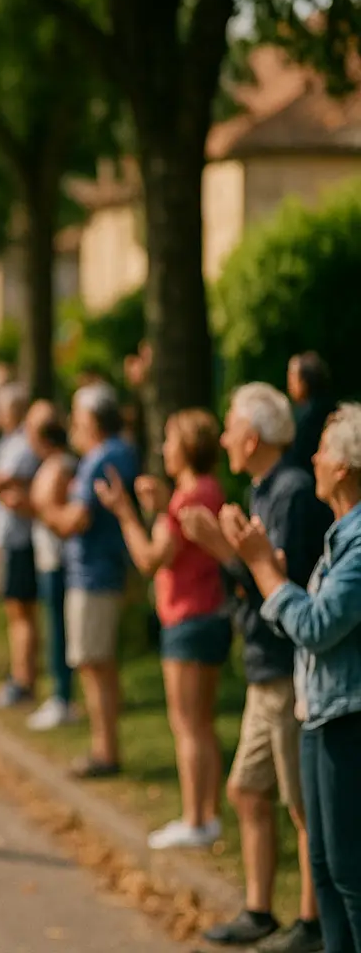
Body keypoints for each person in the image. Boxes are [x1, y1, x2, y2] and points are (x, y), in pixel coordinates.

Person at [180, 384, 327, 952]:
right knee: (246, 789)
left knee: (301, 805)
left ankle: (311, 923)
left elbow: (277, 583)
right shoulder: (265, 488)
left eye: (230, 426)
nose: (223, 438)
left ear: (253, 436)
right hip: (266, 670)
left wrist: (221, 549)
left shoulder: (289, 493)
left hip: (289, 670)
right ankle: (260, 909)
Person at [224, 403, 361, 953]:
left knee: (350, 871)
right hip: (318, 709)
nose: (314, 458)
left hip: (345, 718)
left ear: (347, 466)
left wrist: (261, 566)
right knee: (326, 865)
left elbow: (317, 624)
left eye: (325, 450)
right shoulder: (339, 534)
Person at [95, 409, 229, 849]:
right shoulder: (209, 490)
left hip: (187, 619)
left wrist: (125, 512)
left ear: (187, 448)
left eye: (170, 440)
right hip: (211, 614)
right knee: (203, 722)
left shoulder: (186, 498)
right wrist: (159, 507)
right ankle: (208, 816)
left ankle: (194, 819)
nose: (164, 449)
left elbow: (152, 559)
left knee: (186, 723)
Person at [37, 383, 137, 778]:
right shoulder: (118, 452)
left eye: (78, 417)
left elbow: (75, 519)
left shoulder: (100, 458)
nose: (73, 426)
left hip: (93, 574)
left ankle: (105, 752)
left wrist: (45, 509)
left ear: (92, 420)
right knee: (97, 663)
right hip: (100, 571)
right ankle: (104, 747)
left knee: (94, 664)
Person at [0, 383, 42, 708]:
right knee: (15, 612)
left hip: (19, 539)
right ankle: (20, 675)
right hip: (11, 538)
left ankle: (23, 679)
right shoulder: (11, 441)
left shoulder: (19, 444)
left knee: (20, 613)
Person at [22, 404, 79, 731]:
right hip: (49, 558)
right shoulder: (53, 465)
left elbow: (55, 513)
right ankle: (59, 693)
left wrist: (33, 508)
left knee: (58, 629)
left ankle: (63, 696)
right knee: (53, 626)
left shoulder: (60, 467)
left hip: (58, 560)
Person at [285, 352, 335, 473]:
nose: (289, 382)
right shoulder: (330, 406)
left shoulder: (305, 416)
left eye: (292, 376)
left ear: (304, 381)